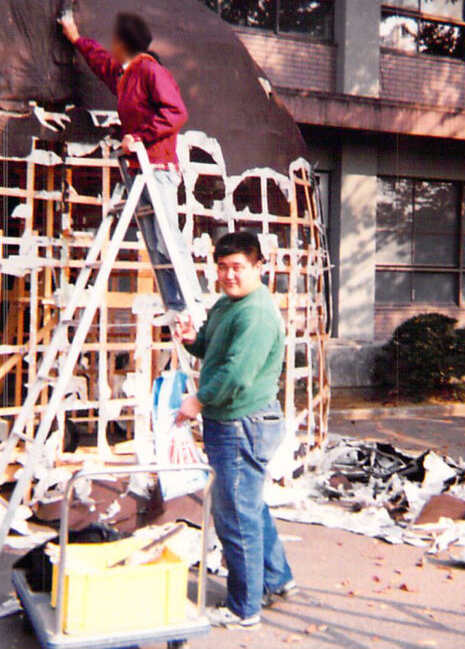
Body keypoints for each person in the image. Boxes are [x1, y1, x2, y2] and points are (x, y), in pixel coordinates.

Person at [173, 231, 296, 630]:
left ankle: (245, 608)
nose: (228, 275)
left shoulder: (256, 312)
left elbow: (236, 374)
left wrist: (198, 401)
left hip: (243, 422)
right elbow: (213, 348)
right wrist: (193, 339)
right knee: (249, 505)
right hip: (236, 419)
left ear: (259, 267)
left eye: (238, 267)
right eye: (222, 267)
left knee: (235, 515)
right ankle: (276, 578)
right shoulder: (229, 303)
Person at [59, 11, 203, 322]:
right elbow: (101, 64)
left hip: (159, 168)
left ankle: (192, 304)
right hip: (141, 170)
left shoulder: (151, 72)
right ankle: (175, 307)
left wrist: (139, 136)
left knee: (167, 239)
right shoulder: (126, 76)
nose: (112, 47)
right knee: (153, 240)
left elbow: (176, 113)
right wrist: (76, 39)